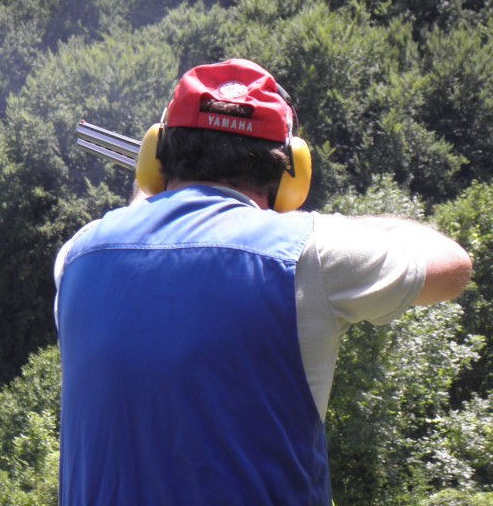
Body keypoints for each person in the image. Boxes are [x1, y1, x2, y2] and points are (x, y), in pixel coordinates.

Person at [54, 58, 472, 505]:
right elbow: (454, 266)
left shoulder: (76, 258)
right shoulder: (311, 253)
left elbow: (148, 232)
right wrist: (331, 226)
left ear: (156, 154)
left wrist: (152, 193)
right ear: (292, 171)